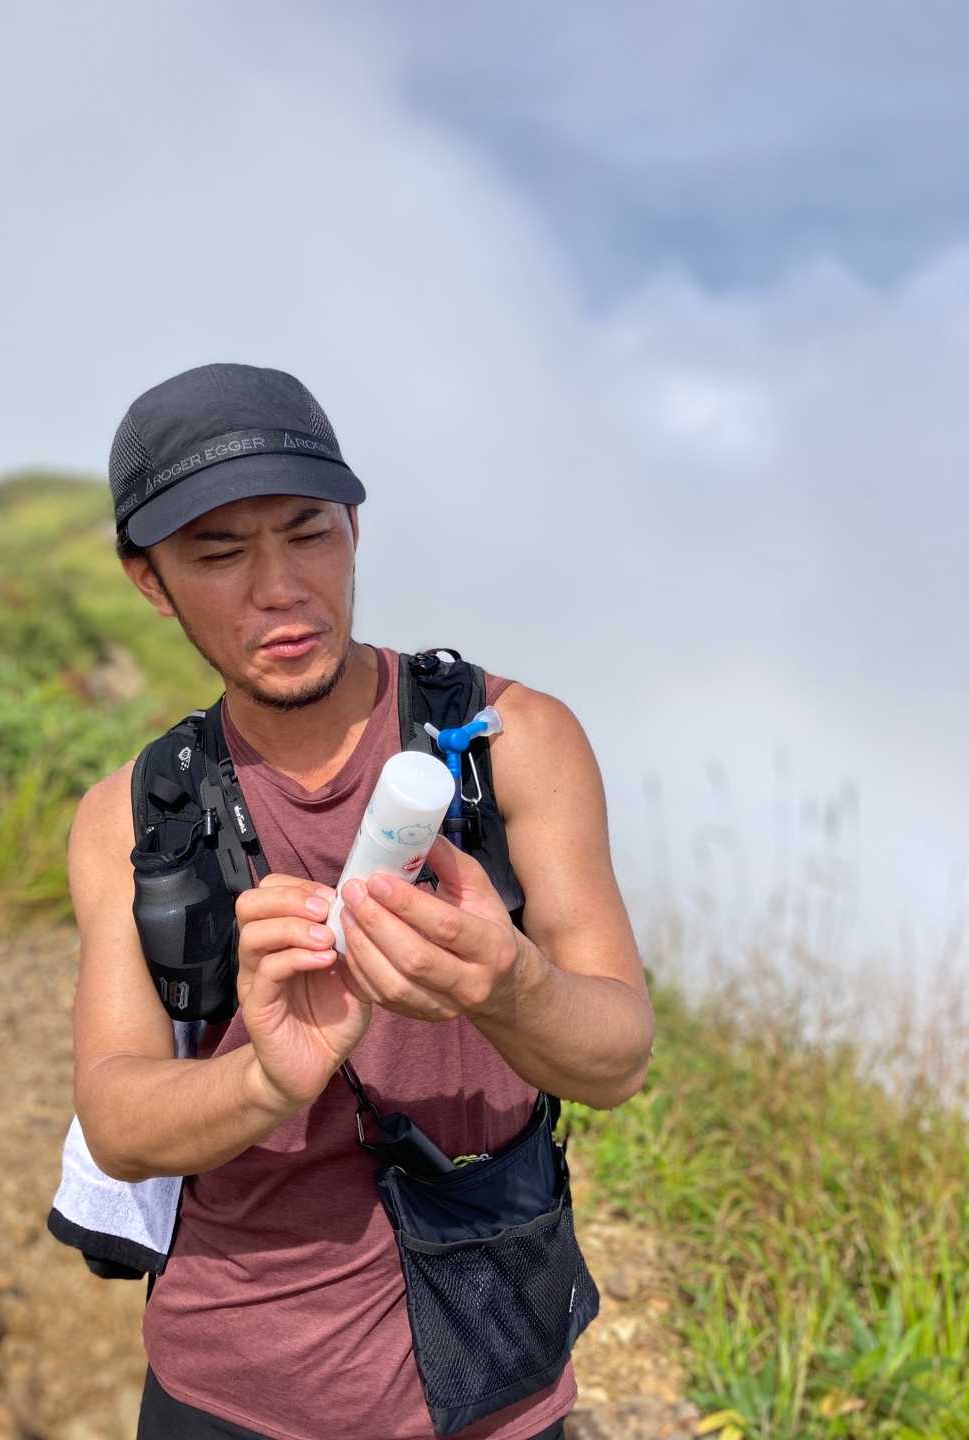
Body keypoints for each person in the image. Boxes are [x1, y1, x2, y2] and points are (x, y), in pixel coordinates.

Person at [71, 362, 654, 1440]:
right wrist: (266, 1078)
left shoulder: (515, 741)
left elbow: (617, 1058)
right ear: (149, 580)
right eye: (217, 553)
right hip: (225, 1389)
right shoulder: (132, 816)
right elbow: (117, 1120)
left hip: (492, 1375)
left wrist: (511, 987)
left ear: (354, 528)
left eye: (309, 533)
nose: (279, 588)